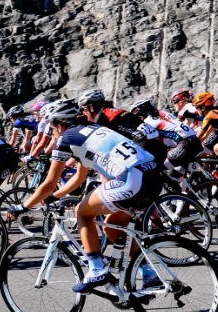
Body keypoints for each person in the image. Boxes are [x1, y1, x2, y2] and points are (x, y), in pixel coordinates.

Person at [10, 100, 163, 293]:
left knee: (82, 212)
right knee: (114, 229)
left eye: (51, 127)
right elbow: (79, 177)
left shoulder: (65, 137)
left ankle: (97, 269)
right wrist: (53, 198)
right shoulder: (91, 128)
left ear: (59, 124)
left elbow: (49, 182)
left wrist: (23, 207)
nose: (51, 132)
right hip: (154, 177)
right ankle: (149, 273)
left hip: (132, 180)